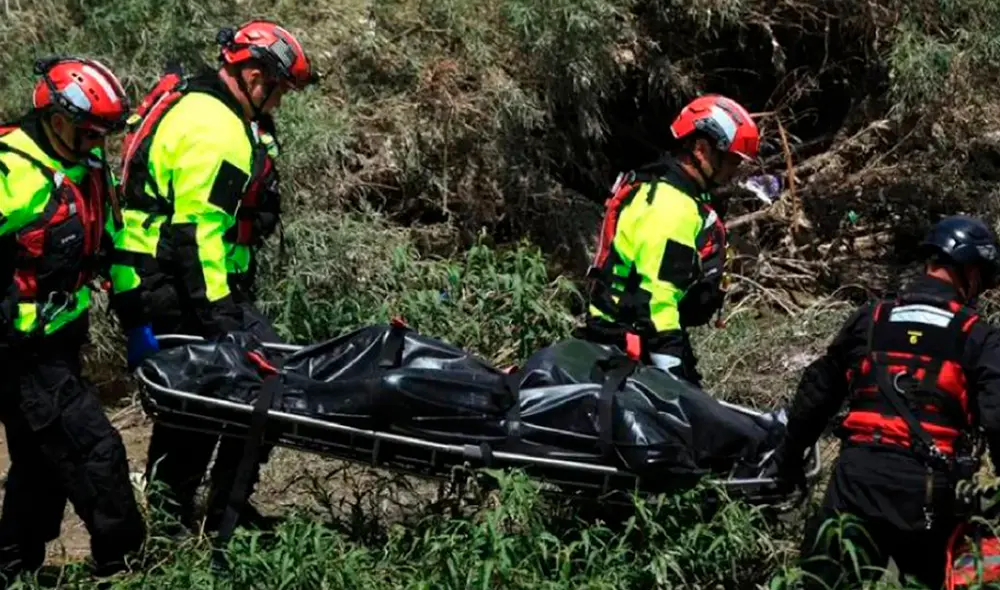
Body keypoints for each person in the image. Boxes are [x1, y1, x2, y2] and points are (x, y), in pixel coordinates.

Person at [107, 20, 318, 533]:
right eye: (279, 91)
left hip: (172, 278)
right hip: (172, 284)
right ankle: (179, 522)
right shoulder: (216, 127)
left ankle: (221, 509)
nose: (280, 104)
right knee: (199, 408)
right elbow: (196, 232)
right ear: (251, 74)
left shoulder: (205, 104)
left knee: (240, 393)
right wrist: (222, 318)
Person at [770, 214, 1000, 589]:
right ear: (970, 273)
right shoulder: (979, 337)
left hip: (856, 479)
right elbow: (997, 418)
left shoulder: (871, 320)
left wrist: (787, 460)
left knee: (821, 582)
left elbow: (816, 393)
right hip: (926, 490)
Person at [0, 56, 145, 584]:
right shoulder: (10, 169)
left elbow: (114, 246)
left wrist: (136, 322)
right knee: (95, 452)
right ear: (57, 119)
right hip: (21, 353)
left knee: (41, 464)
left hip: (61, 342)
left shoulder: (88, 168)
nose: (96, 144)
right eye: (88, 132)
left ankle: (13, 567)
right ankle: (124, 566)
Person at [578, 94, 760, 386]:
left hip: (638, 340)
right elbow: (656, 300)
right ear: (701, 150)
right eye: (730, 160)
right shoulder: (670, 206)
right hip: (631, 349)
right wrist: (672, 379)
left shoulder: (668, 193)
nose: (734, 171)